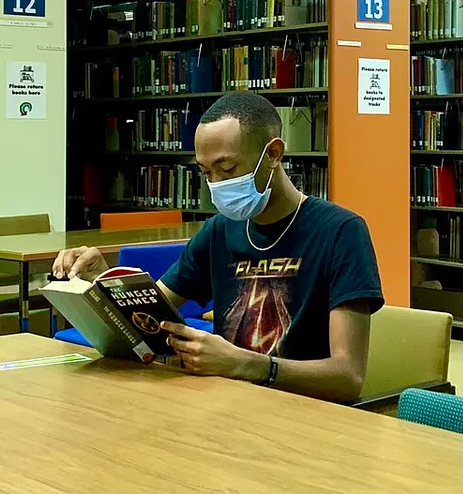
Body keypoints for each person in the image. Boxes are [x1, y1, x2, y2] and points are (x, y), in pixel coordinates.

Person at [53, 91, 383, 403]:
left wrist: (247, 365)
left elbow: (348, 378)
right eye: (206, 172)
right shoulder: (220, 231)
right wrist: (104, 283)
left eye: (227, 168)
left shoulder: (340, 231)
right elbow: (147, 318)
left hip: (306, 417)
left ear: (273, 154)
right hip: (226, 407)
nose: (217, 184)